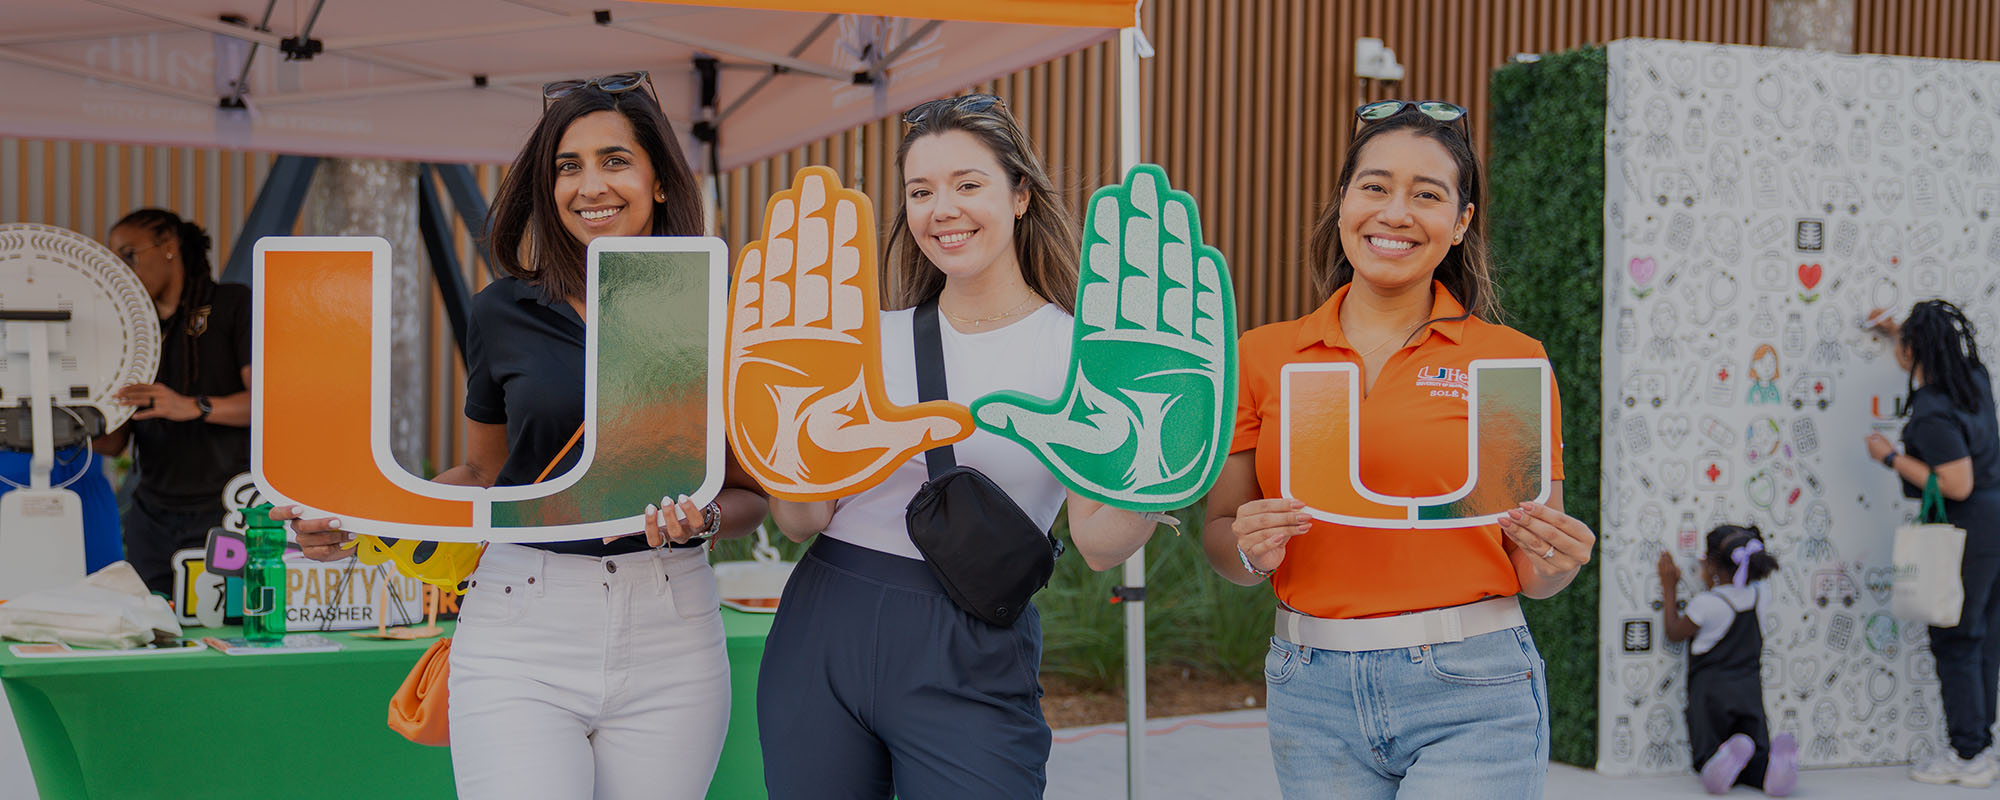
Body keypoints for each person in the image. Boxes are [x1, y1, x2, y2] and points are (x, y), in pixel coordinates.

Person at [284, 72, 769, 799]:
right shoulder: (502, 310)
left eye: (614, 160)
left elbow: (748, 495)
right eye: (566, 167)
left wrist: (700, 521)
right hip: (520, 618)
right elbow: (483, 477)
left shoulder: (718, 308)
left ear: (660, 181)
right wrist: (359, 517)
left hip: (673, 625)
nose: (589, 185)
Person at [755, 95, 1158, 799]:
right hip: (825, 624)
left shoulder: (1080, 352)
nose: (943, 209)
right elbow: (802, 519)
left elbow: (1098, 543)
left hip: (971, 644)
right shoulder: (861, 339)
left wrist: (1158, 468)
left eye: (968, 184)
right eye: (921, 191)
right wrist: (785, 438)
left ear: (1021, 194)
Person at [1201, 99, 1595, 798]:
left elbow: (1531, 568)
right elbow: (1223, 540)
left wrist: (1556, 562)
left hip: (1474, 685)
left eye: (1427, 194)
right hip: (1310, 688)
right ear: (1344, 202)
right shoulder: (1263, 357)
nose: (1395, 212)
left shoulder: (1505, 362)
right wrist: (1248, 549)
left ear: (1461, 222)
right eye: (1375, 186)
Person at [1862, 299, 2000, 788]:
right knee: (1980, 635)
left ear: (1912, 351)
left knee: (1957, 637)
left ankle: (1969, 754)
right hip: (1993, 521)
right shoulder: (1972, 379)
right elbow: (1938, 349)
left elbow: (1956, 483)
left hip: (1968, 524)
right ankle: (1978, 747)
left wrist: (1890, 458)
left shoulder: (1931, 409)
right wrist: (1898, 331)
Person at [89, 210, 251, 594]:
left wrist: (194, 406)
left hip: (224, 509)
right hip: (152, 516)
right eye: (113, 259)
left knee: (223, 630)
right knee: (151, 629)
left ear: (168, 247)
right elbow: (113, 443)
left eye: (128, 254)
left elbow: (268, 405)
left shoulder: (231, 303)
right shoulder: (129, 329)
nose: (121, 269)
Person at [1658, 525, 1798, 796]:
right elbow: (1733, 589)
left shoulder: (1706, 604)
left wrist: (1669, 587)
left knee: (1708, 751)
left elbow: (1675, 633)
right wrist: (1714, 573)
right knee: (1756, 753)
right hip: (1749, 690)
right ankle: (1771, 771)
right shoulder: (1760, 593)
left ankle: (1715, 768)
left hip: (1711, 694)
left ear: (1710, 564)